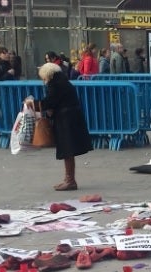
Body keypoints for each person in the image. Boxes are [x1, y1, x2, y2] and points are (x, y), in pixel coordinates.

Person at [25, 63, 93, 191]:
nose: (43, 80)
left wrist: (33, 103)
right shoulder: (63, 81)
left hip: (66, 120)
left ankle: (70, 180)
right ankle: (68, 179)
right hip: (70, 117)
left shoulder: (55, 84)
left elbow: (50, 101)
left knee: (67, 149)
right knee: (68, 150)